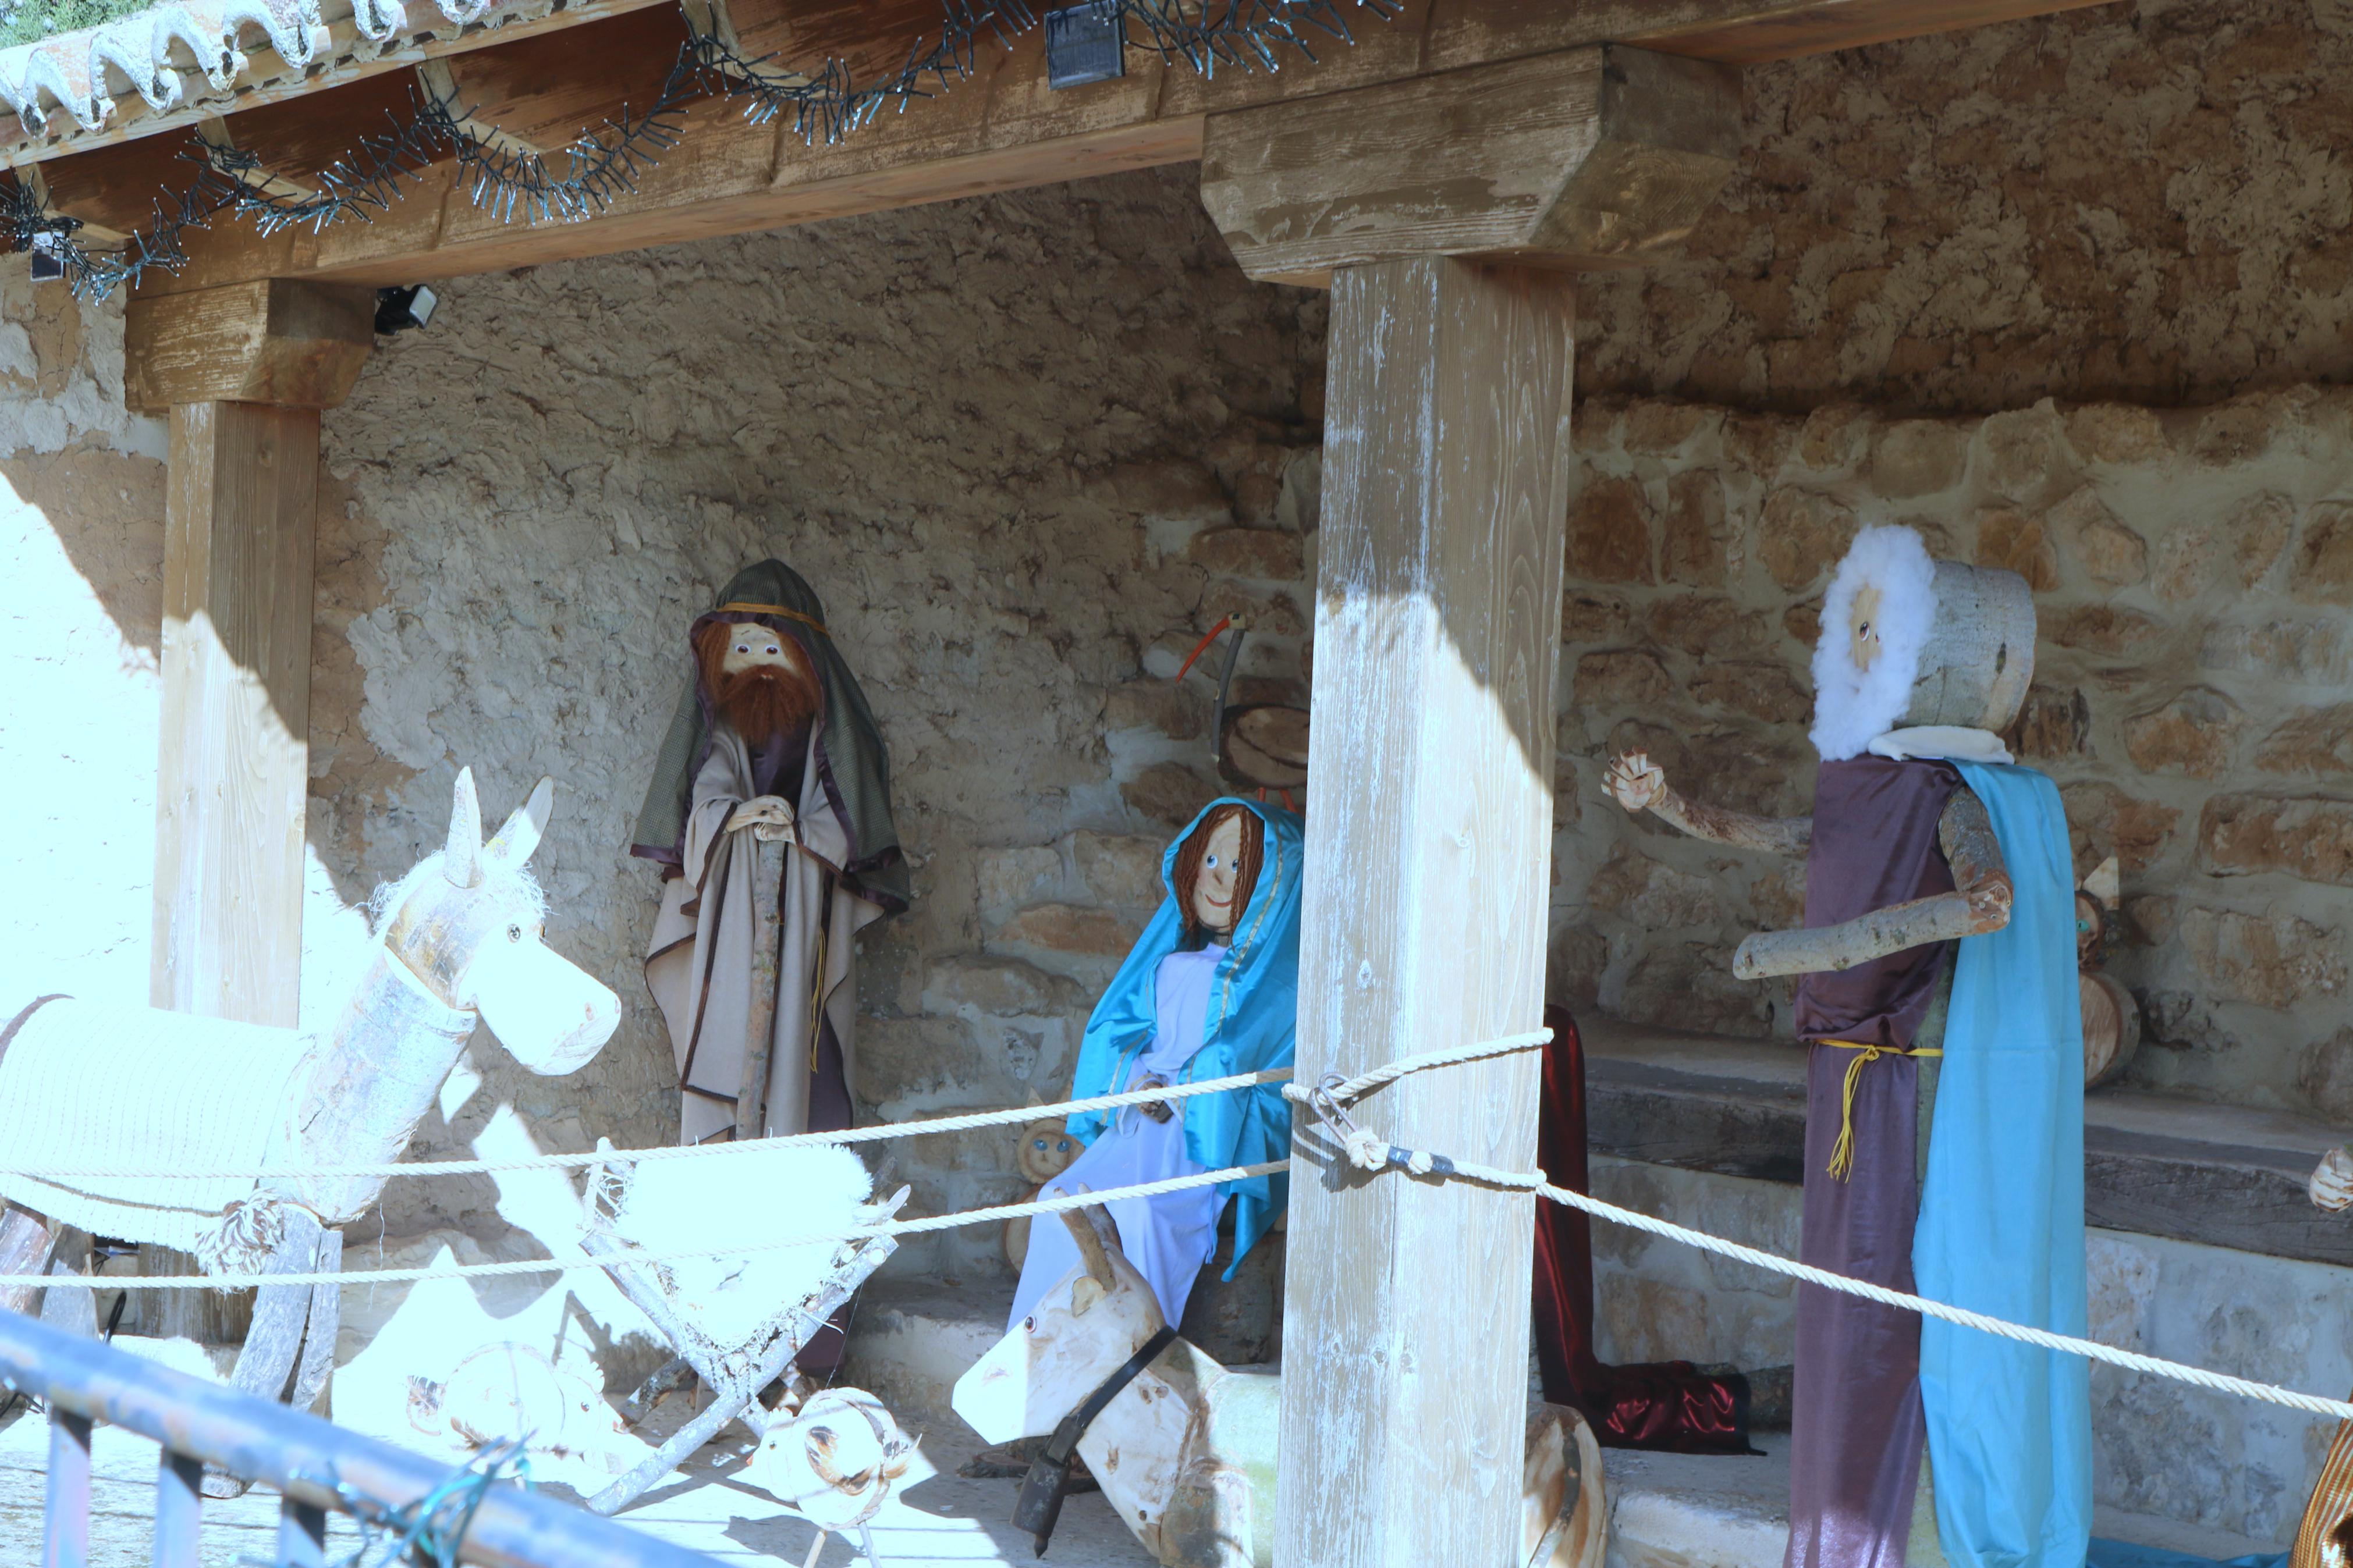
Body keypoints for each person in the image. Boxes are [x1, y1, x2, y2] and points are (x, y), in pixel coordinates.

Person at [630, 560, 908, 1149]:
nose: (758, 662)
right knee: (733, 1023)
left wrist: (802, 836)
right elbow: (705, 794)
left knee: (803, 1045)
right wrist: (738, 817)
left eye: (772, 648)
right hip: (733, 911)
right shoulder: (723, 727)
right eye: (744, 648)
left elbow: (848, 814)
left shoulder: (826, 738)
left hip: (808, 914)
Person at [1010, 798, 1301, 1332]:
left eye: (1237, 865)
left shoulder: (1277, 987)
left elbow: (1248, 1062)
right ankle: (1042, 1352)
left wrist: (1183, 1091)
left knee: (1140, 1216)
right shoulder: (1167, 963)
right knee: (1057, 1202)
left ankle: (1127, 1357)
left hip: (1190, 1147)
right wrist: (1137, 1078)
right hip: (1133, 1132)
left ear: (1269, 883)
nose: (1217, 878)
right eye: (1209, 861)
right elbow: (1121, 1034)